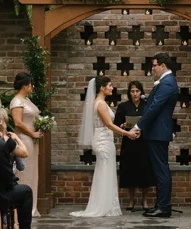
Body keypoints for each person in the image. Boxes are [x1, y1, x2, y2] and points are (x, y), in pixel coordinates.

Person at [73, 76, 136, 218]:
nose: (112, 88)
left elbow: (107, 124)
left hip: (105, 140)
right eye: (110, 85)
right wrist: (127, 133)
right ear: (102, 88)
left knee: (105, 172)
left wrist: (122, 126)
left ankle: (105, 204)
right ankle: (103, 206)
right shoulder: (100, 104)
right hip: (103, 142)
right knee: (105, 172)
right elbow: (108, 124)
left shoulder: (100, 103)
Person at [132, 53, 180, 218]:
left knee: (161, 170)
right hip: (156, 132)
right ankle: (160, 204)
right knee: (159, 169)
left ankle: (164, 207)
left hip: (158, 132)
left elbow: (155, 107)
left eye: (154, 65)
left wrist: (138, 125)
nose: (152, 68)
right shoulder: (166, 82)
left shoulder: (167, 83)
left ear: (163, 66)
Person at [114, 80, 156, 211]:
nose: (135, 94)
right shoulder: (123, 106)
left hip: (144, 142)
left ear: (141, 92)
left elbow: (152, 121)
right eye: (132, 91)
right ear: (129, 92)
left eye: (137, 91)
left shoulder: (147, 105)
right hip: (129, 143)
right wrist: (123, 126)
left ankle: (144, 201)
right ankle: (131, 200)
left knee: (145, 171)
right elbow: (116, 124)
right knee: (129, 171)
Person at [10, 72, 42, 217]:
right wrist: (32, 133)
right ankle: (22, 208)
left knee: (32, 171)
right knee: (24, 171)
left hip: (32, 140)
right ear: (25, 85)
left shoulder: (27, 100)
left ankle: (31, 207)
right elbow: (18, 122)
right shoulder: (17, 101)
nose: (32, 87)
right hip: (24, 139)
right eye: (31, 84)